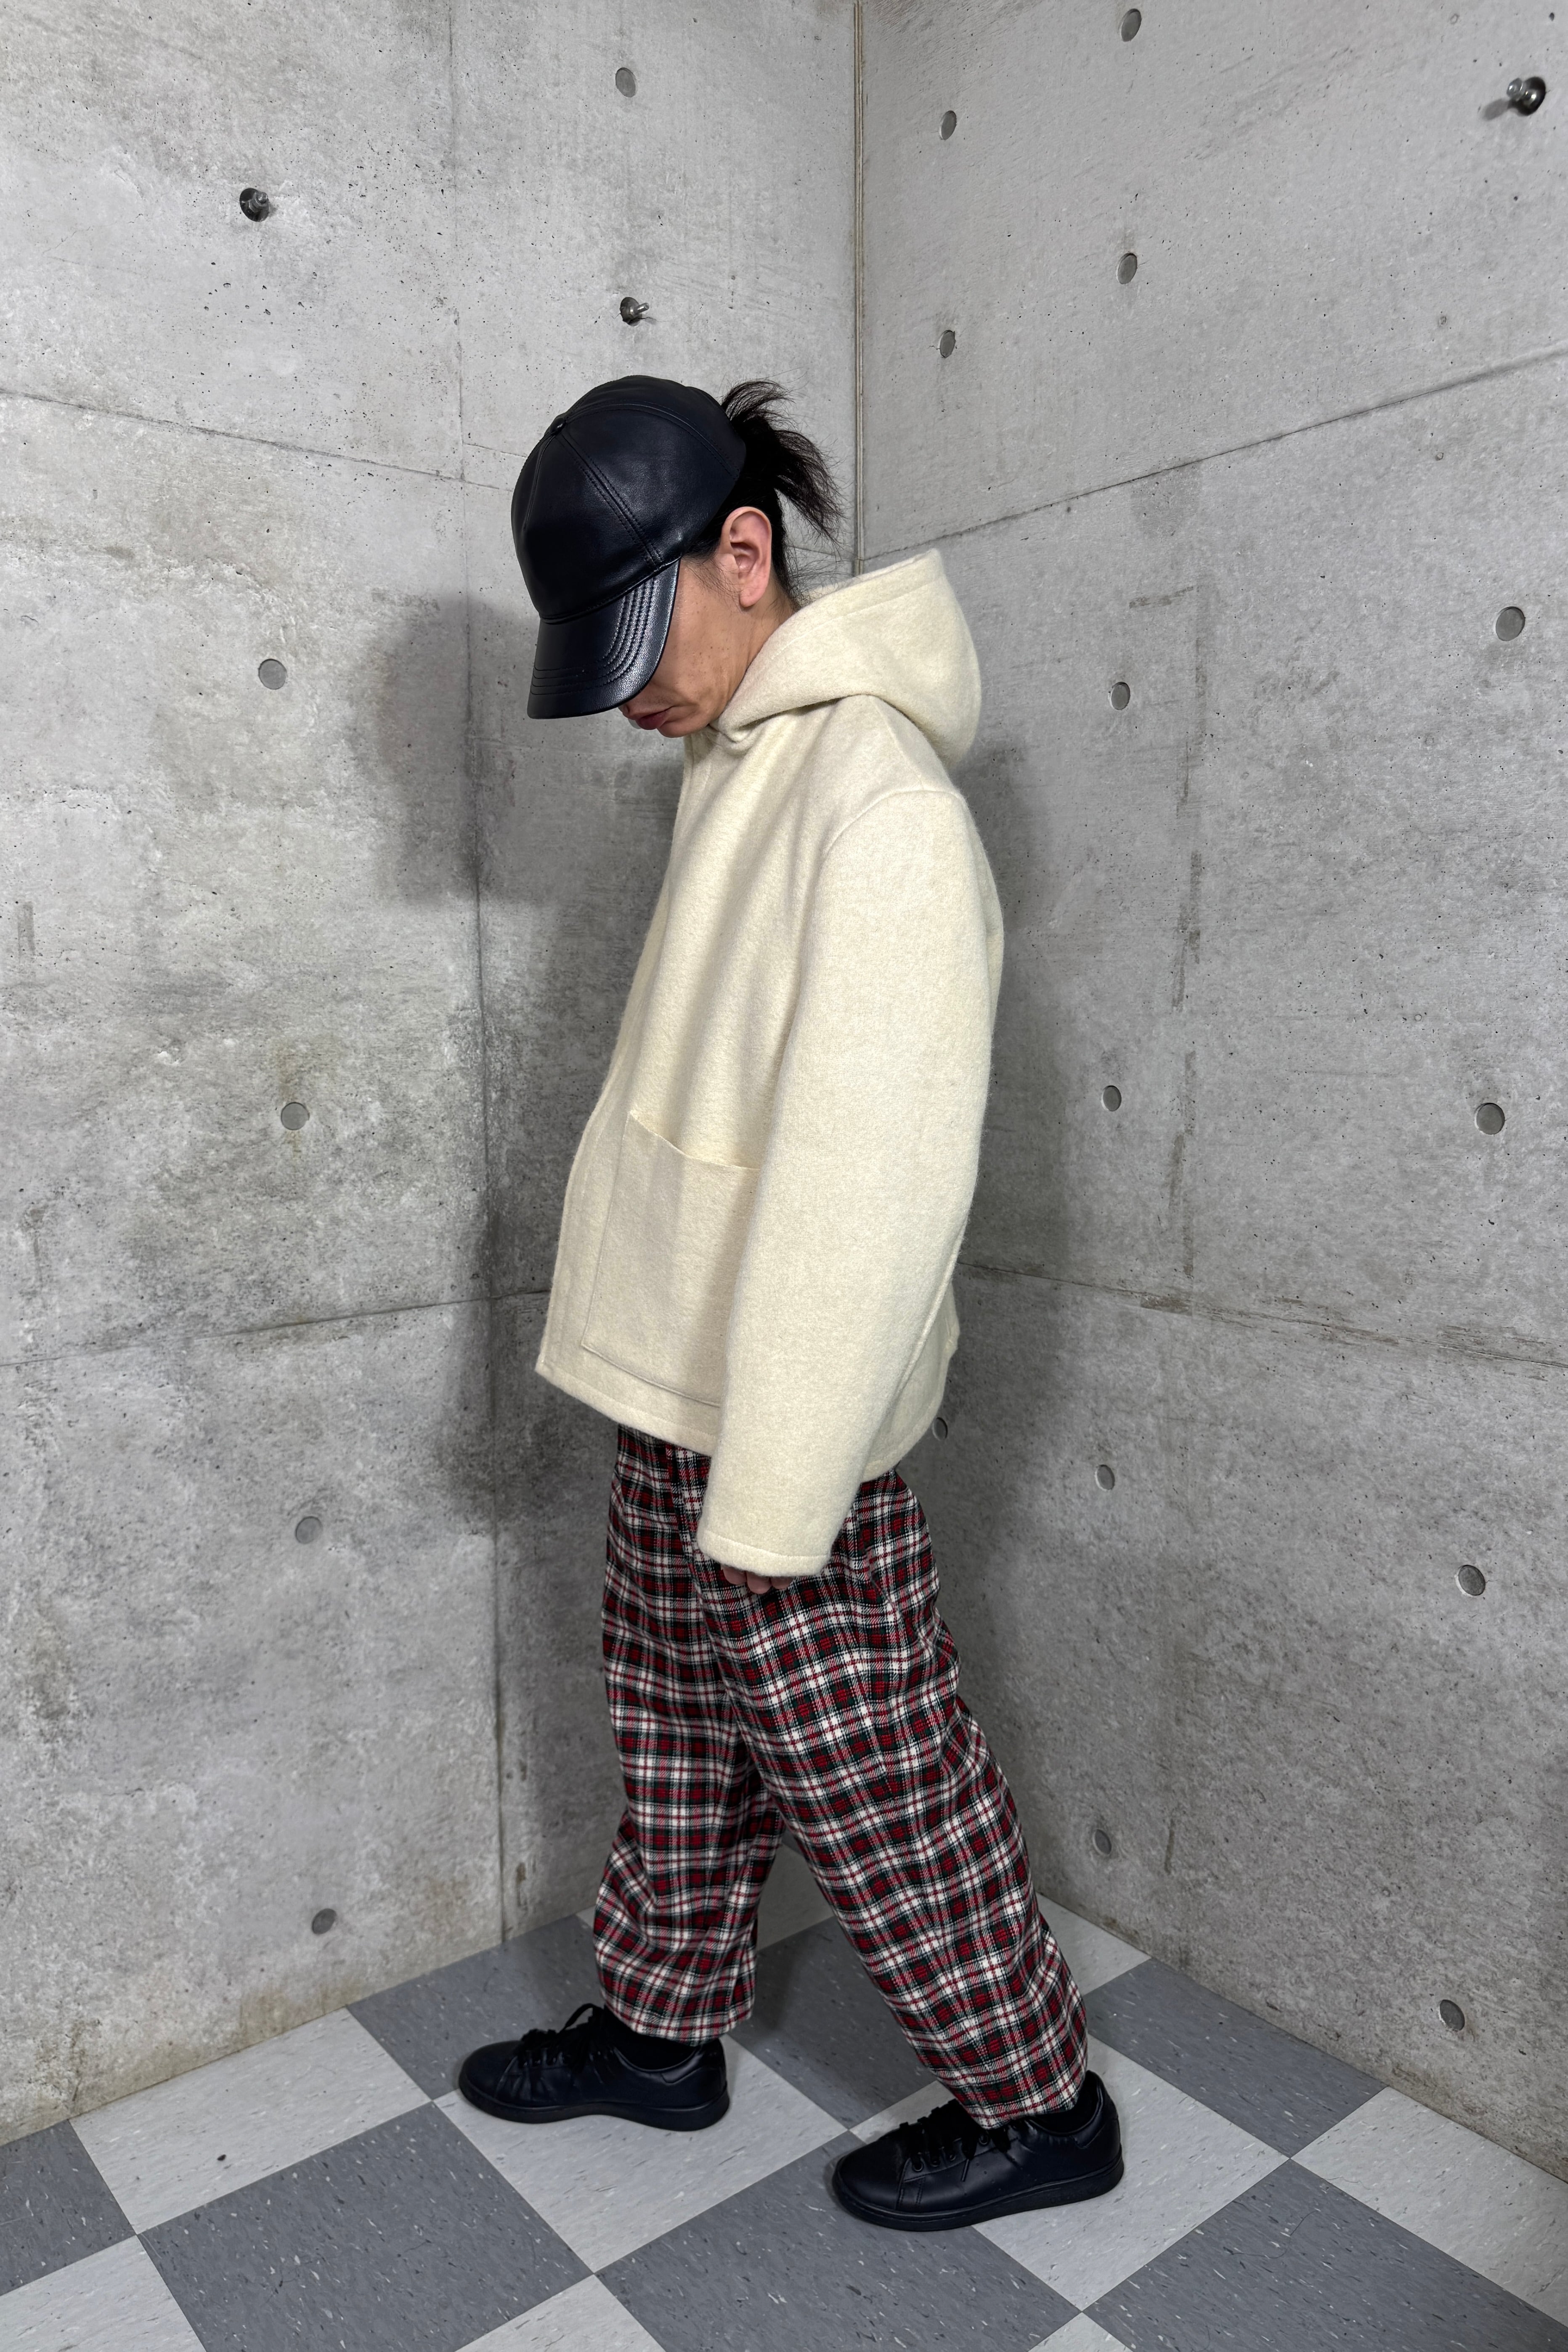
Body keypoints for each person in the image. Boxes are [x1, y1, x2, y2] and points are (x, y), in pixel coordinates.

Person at [458, 374, 1123, 2230]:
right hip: (679, 1372)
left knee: (872, 1754)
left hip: (779, 1404)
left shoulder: (875, 799)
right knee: (673, 1716)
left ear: (741, 555)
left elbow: (873, 1186)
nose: (623, 696)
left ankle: (1039, 2099)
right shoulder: (742, 757)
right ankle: (663, 2030)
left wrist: (782, 1482)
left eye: (634, 636)